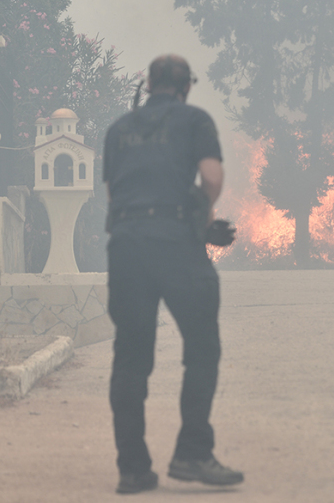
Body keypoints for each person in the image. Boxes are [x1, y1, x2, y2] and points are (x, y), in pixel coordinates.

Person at [103, 54, 243, 494]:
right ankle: (192, 452)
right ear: (185, 87)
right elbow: (212, 178)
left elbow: (113, 191)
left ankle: (132, 468)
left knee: (130, 356)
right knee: (202, 348)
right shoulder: (194, 120)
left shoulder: (118, 129)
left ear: (147, 85)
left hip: (125, 243)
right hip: (175, 243)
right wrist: (199, 222)